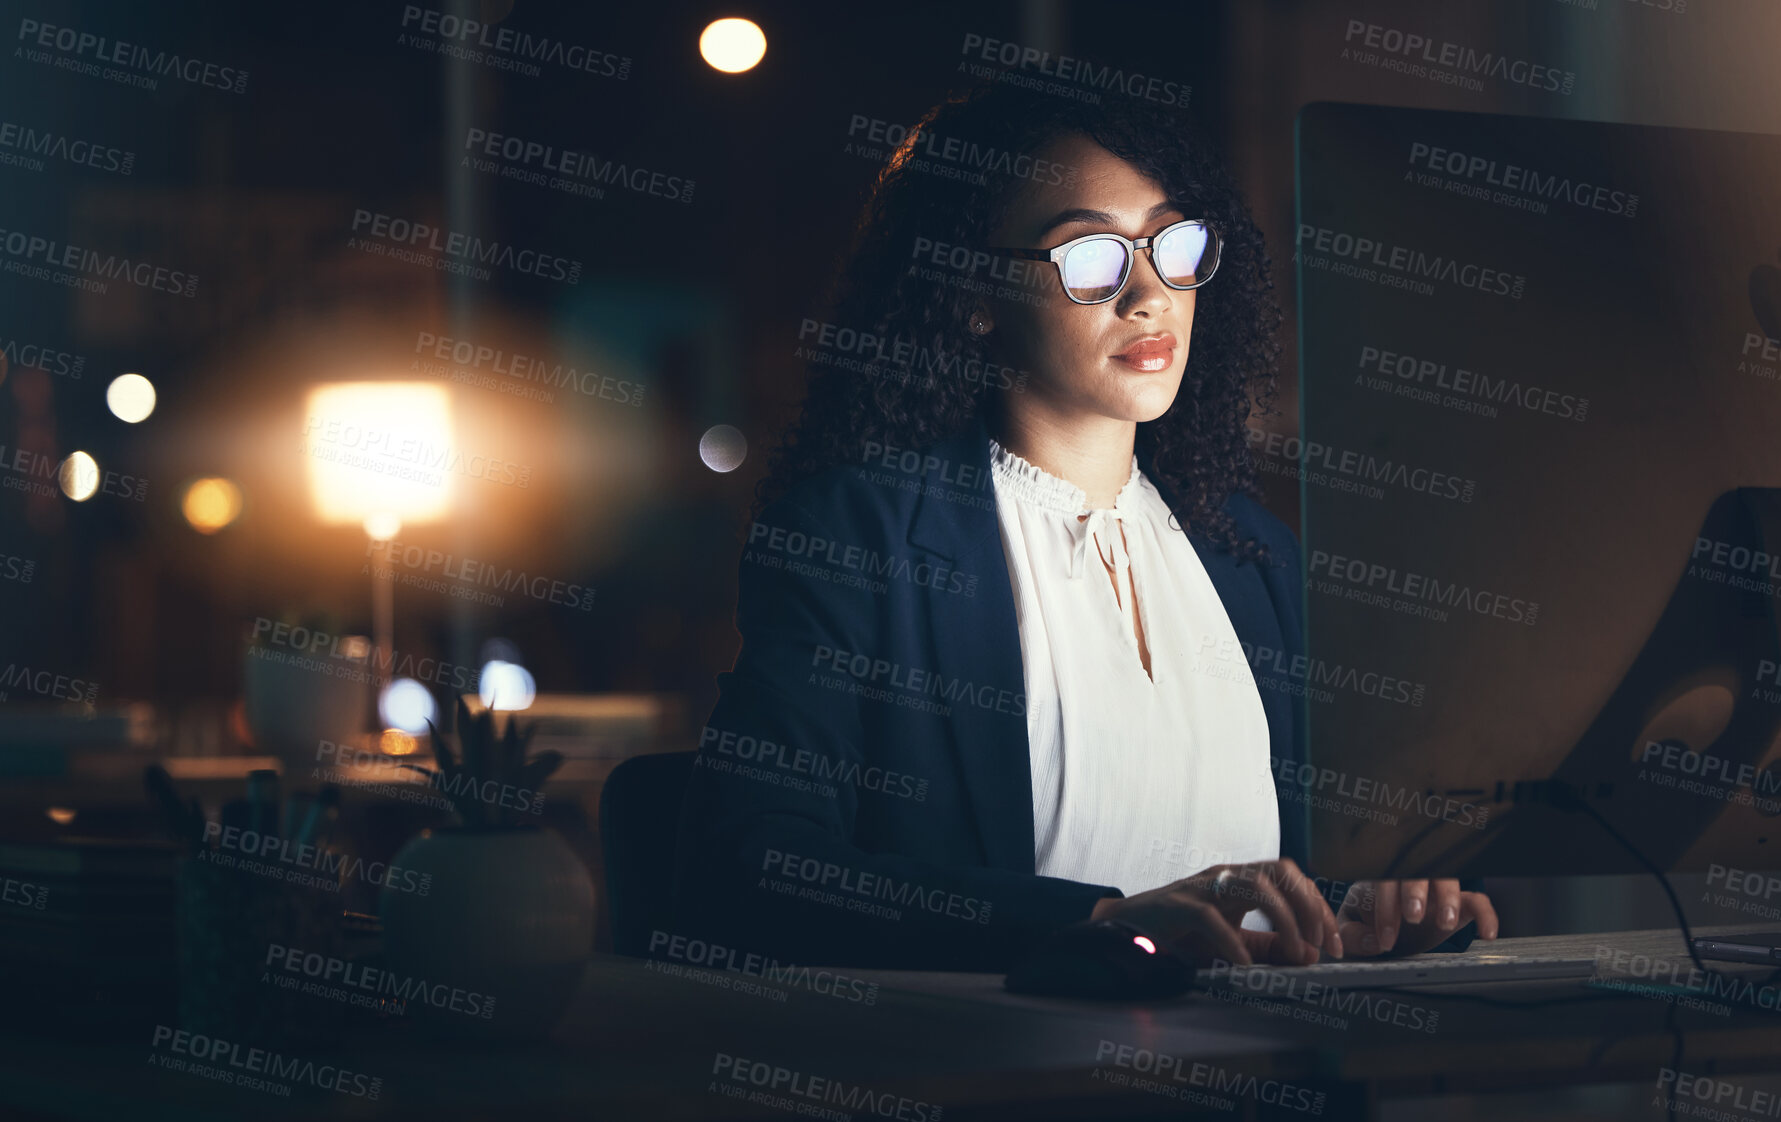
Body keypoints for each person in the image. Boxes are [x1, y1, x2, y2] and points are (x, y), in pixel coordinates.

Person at [672, 82, 1498, 971]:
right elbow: (759, 868)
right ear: (974, 295)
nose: (1149, 294)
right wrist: (1098, 921)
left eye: (1171, 244)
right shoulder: (858, 538)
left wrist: (1364, 907)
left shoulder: (1248, 554)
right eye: (1090, 256)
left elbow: (1250, 885)